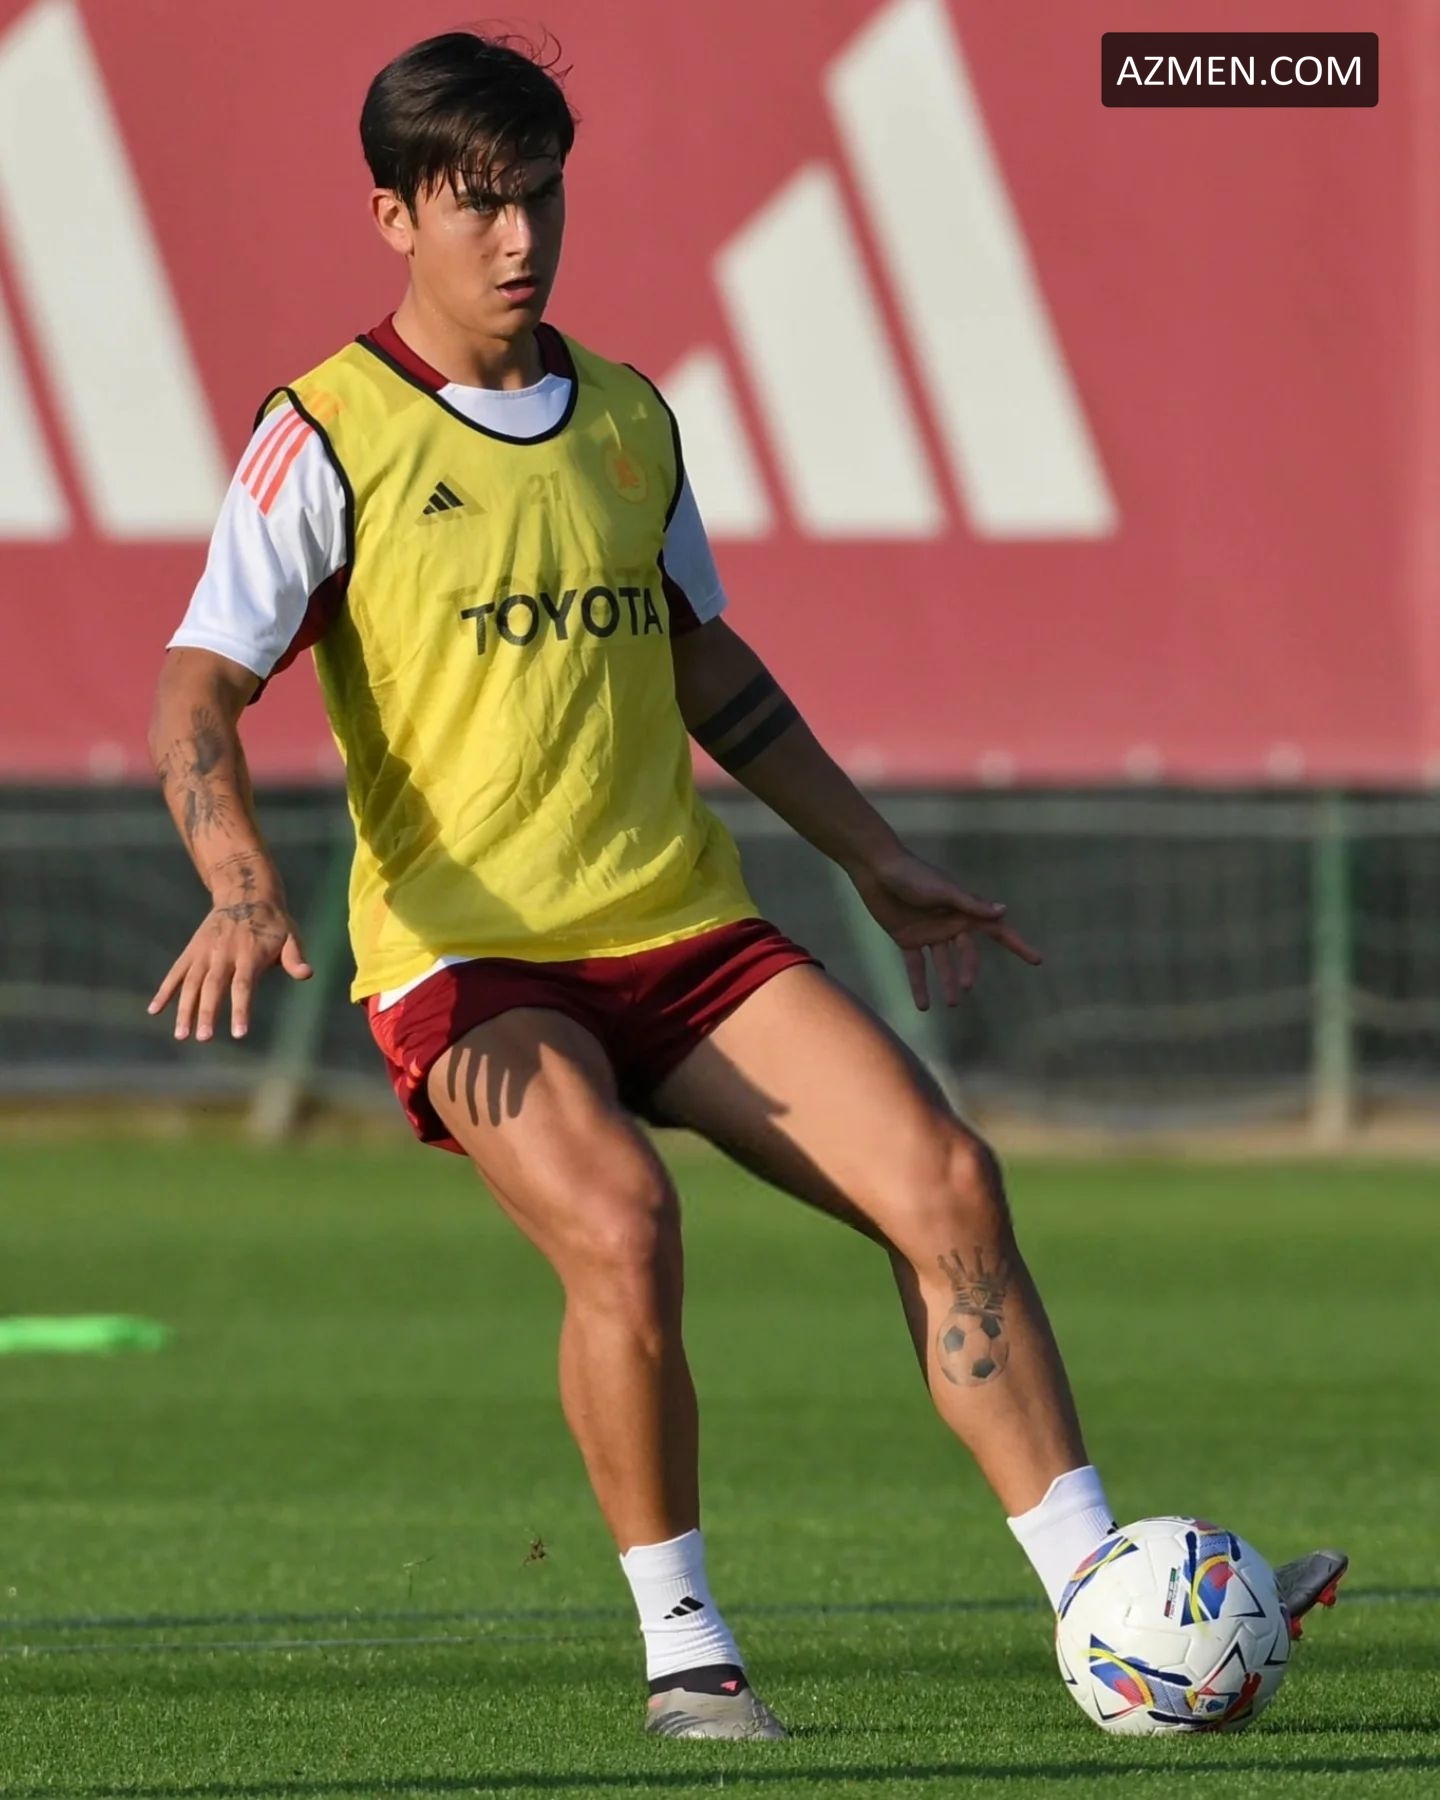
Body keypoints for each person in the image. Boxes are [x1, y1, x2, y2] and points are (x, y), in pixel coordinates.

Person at [148, 31, 1345, 1741]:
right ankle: (687, 1651)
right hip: (471, 965)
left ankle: (1110, 1595)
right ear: (392, 214)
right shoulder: (323, 433)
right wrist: (238, 877)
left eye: (541, 195)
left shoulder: (627, 416)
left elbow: (706, 663)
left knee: (947, 1183)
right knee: (625, 1224)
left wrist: (875, 854)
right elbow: (198, 684)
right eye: (478, 203)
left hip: (681, 929)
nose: (520, 237)